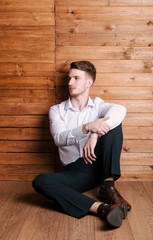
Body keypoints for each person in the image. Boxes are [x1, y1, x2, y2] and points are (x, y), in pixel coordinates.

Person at [32, 61, 131, 228]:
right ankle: (103, 209)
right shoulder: (57, 110)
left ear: (88, 83)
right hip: (76, 172)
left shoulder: (98, 105)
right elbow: (59, 138)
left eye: (76, 78)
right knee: (41, 181)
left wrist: (94, 133)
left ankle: (108, 185)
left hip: (100, 166)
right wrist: (86, 127)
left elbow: (120, 110)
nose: (70, 83)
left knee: (113, 124)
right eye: (69, 78)